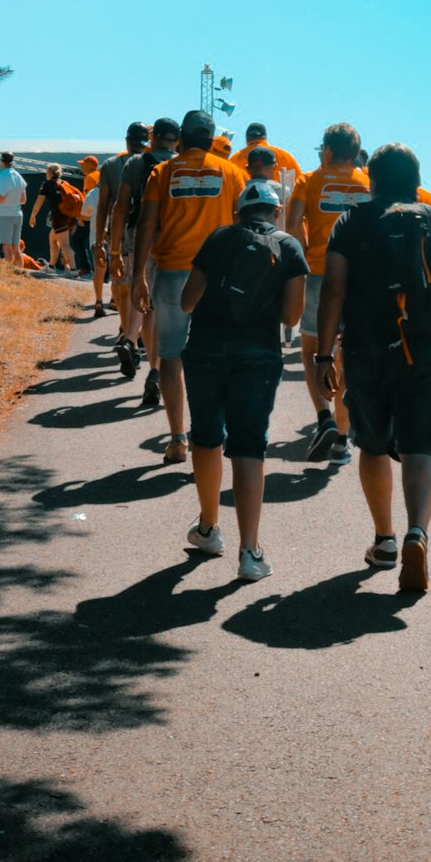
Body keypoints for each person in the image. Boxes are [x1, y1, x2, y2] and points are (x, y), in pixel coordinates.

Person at [316, 142, 431, 591]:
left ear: (372, 180)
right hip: (424, 350)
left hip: (366, 351)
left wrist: (324, 354)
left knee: (371, 445)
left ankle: (385, 540)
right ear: (416, 180)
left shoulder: (351, 222)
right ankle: (417, 533)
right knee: (419, 447)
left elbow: (333, 289)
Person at [179, 179, 309, 579]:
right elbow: (291, 318)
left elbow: (187, 300)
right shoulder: (288, 247)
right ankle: (249, 552)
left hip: (205, 349)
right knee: (249, 447)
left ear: (238, 213)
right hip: (258, 354)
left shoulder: (218, 238)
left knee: (205, 436)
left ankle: (207, 528)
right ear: (275, 212)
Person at [132, 110, 246, 463]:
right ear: (212, 140)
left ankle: (178, 439)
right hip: (221, 276)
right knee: (221, 356)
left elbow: (146, 224)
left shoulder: (162, 172)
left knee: (170, 355)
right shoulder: (232, 173)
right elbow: (244, 228)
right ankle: (214, 430)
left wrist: (138, 276)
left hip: (172, 273)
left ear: (180, 137)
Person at [286, 123, 370, 462]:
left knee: (310, 350)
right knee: (345, 354)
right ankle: (343, 439)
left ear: (329, 150)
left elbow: (292, 224)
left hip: (319, 273)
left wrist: (304, 256)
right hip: (359, 279)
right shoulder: (368, 183)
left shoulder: (310, 180)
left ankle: (324, 418)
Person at [109, 118, 179, 401]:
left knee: (143, 299)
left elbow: (121, 206)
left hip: (139, 236)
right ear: (176, 140)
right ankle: (157, 369)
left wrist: (113, 249)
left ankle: (131, 340)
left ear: (153, 138)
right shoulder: (179, 164)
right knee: (165, 308)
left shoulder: (135, 163)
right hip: (174, 237)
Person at [93, 123, 150, 321]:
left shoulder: (110, 165)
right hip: (147, 231)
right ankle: (138, 331)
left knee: (119, 281)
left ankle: (126, 329)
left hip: (118, 232)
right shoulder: (154, 163)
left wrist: (99, 241)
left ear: (127, 141)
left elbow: (103, 207)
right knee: (145, 280)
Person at [29, 162, 76, 271]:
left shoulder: (48, 184)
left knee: (64, 244)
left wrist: (33, 215)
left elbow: (38, 203)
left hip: (58, 217)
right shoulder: (65, 183)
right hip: (67, 216)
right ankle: (51, 266)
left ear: (49, 172)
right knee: (53, 240)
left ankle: (73, 269)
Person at [0, 151, 27, 266]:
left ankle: (9, 271)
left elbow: (1, 198)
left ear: (2, 161)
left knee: (6, 245)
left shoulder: (3, 176)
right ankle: (21, 272)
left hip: (6, 215)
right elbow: (23, 200)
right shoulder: (18, 176)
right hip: (18, 214)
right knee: (16, 246)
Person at [70, 155, 100, 277]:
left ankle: (85, 267)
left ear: (90, 165)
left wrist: (81, 217)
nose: (81, 167)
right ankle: (102, 271)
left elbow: (87, 198)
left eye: (83, 164)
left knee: (77, 238)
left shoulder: (89, 178)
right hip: (101, 214)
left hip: (90, 214)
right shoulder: (99, 175)